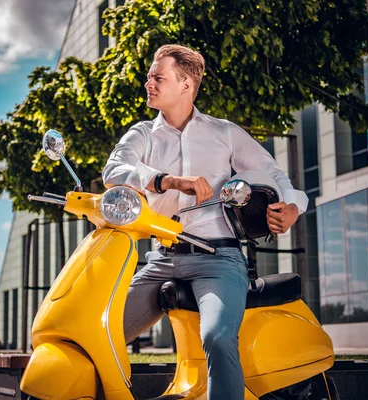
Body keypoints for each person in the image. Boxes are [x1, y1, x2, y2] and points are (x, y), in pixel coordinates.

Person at [101, 44, 309, 399]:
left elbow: (274, 173)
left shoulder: (224, 132)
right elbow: (113, 171)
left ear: (185, 85)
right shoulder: (142, 134)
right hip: (162, 259)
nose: (147, 83)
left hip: (219, 259)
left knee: (217, 336)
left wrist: (291, 207)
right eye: (149, 76)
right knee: (103, 332)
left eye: (157, 77)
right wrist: (165, 180)